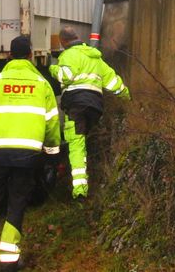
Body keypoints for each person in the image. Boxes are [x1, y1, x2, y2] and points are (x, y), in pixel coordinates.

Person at [0, 35, 60, 272]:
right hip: (28, 157)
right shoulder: (42, 84)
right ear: (30, 55)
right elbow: (51, 124)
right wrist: (52, 155)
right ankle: (9, 262)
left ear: (9, 55)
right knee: (17, 203)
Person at [49, 26, 130, 199]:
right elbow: (114, 82)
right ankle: (96, 174)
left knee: (76, 145)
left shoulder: (68, 55)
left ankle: (80, 191)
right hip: (96, 107)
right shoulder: (95, 57)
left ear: (64, 42)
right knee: (87, 140)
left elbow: (65, 76)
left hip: (76, 105)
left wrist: (52, 68)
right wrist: (128, 98)